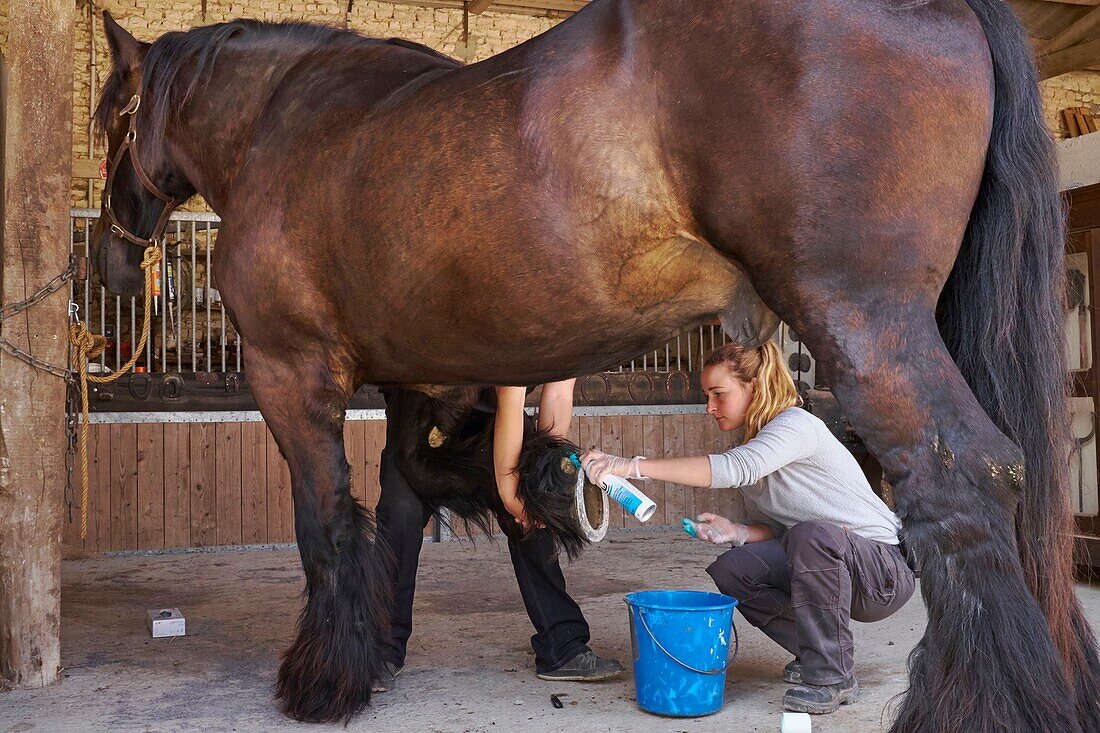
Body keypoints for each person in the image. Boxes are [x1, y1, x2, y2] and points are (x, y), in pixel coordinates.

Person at [583, 341, 914, 715]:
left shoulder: (796, 425)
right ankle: (818, 651)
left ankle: (832, 676)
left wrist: (631, 465)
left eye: (718, 394)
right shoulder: (758, 445)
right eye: (707, 395)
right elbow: (779, 530)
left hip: (882, 573)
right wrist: (736, 532)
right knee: (734, 568)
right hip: (831, 560)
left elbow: (734, 469)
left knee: (812, 535)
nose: (709, 407)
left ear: (754, 386)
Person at [374, 380, 623, 692]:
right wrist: (512, 497)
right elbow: (509, 391)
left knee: (534, 518)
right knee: (399, 517)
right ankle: (381, 650)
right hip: (421, 414)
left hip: (496, 418)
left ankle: (562, 647)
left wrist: (544, 476)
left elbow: (558, 391)